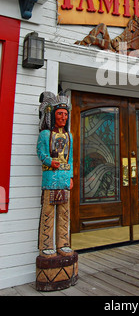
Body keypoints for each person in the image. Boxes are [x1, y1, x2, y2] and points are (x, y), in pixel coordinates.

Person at [37, 91, 73, 257]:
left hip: (64, 178)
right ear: (52, 115)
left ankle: (63, 243)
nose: (63, 117)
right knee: (48, 213)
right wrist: (49, 161)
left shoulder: (68, 136)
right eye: (60, 114)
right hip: (50, 178)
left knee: (64, 213)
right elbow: (40, 152)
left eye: (65, 114)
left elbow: (70, 158)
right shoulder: (45, 134)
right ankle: (46, 244)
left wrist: (71, 176)